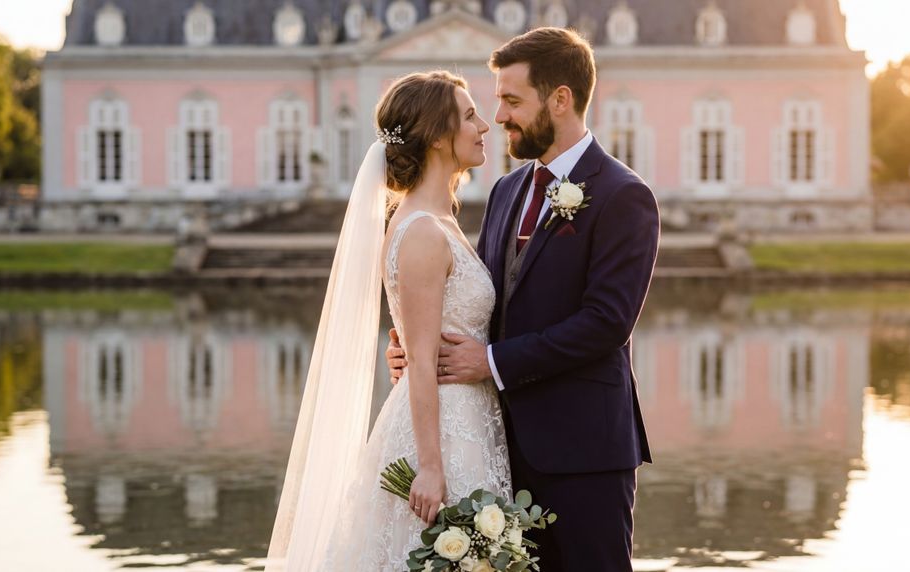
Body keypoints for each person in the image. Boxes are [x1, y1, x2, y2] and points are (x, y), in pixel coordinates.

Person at [388, 27, 661, 571]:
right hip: (496, 451)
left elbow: (606, 323)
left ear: (560, 99)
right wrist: (418, 350)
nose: (499, 117)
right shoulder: (506, 191)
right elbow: (486, 301)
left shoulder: (623, 195)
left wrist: (489, 361)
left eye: (512, 101)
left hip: (585, 454)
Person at [264, 70, 509, 571]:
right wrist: (431, 466)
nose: (484, 126)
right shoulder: (421, 232)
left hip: (468, 421)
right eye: (469, 116)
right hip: (442, 435)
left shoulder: (440, 221)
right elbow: (419, 359)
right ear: (437, 136)